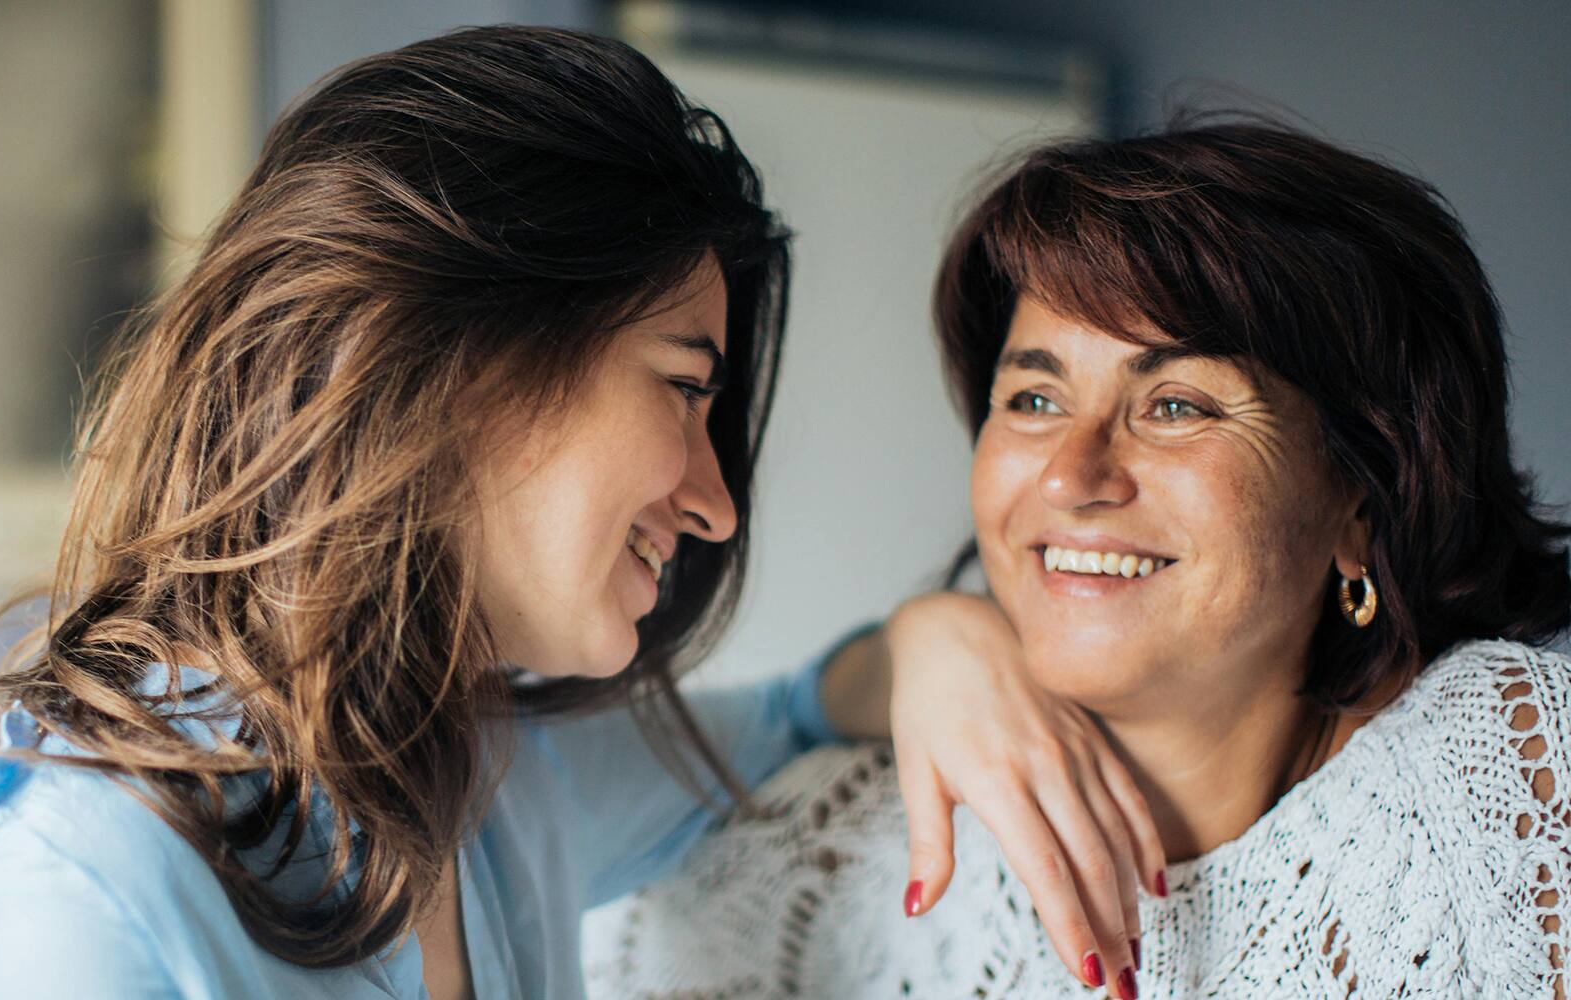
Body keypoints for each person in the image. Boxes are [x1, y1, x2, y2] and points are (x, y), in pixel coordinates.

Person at [0, 27, 1161, 999]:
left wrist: (943, 635)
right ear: (461, 367)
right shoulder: (69, 884)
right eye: (680, 389)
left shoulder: (476, 777)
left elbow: (785, 718)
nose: (714, 504)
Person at [589, 116, 1571, 999]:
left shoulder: (1504, 792)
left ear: (1361, 499)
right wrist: (920, 631)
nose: (1071, 474)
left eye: (1175, 405)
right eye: (1032, 399)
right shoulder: (813, 860)